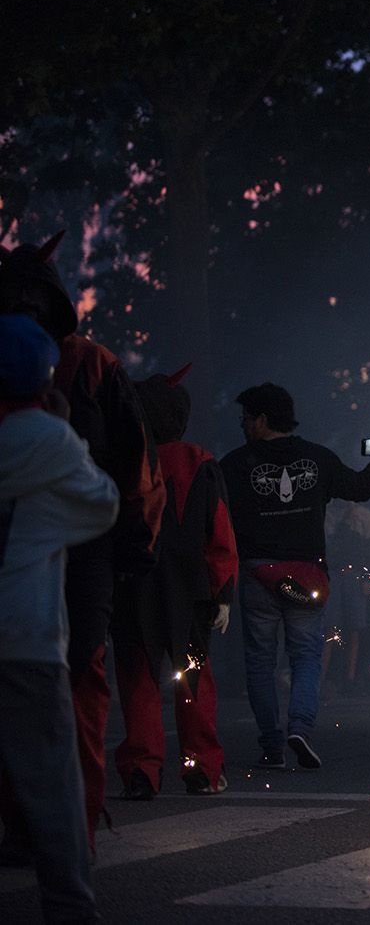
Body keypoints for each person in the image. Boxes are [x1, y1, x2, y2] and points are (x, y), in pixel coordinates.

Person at [0, 232, 164, 852]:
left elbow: (135, 467)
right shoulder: (87, 366)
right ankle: (36, 826)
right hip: (51, 546)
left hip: (87, 553)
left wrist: (133, 549)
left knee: (78, 682)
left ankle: (70, 825)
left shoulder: (93, 365)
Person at [0, 314, 119, 922]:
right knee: (53, 787)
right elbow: (102, 504)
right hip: (27, 639)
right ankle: (69, 907)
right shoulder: (52, 444)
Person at [220, 384, 370, 770]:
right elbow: (359, 488)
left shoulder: (234, 465)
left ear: (262, 420)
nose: (242, 425)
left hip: (259, 575)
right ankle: (300, 727)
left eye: (246, 418)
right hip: (305, 577)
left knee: (260, 661)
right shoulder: (317, 458)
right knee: (306, 656)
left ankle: (271, 744)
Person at [113, 366, 238, 799]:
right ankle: (201, 768)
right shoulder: (199, 462)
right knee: (194, 679)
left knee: (139, 680)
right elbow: (218, 531)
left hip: (134, 588)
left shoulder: (124, 462)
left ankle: (141, 771)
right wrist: (223, 591)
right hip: (189, 593)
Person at [322, 500, 370, 697]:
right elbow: (331, 545)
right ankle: (321, 677)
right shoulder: (328, 513)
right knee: (329, 626)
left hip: (355, 575)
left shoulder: (363, 514)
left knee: (355, 628)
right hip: (334, 573)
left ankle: (350, 678)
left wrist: (368, 577)